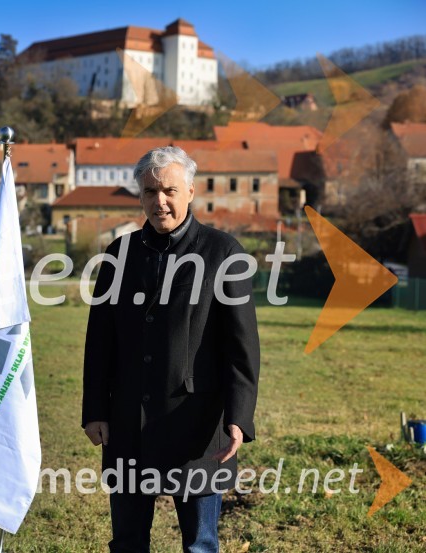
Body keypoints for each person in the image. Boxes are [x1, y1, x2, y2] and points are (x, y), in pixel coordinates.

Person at [82, 147, 260, 552]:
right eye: (149, 191)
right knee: (127, 541)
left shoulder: (223, 253)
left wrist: (239, 417)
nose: (159, 201)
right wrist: (95, 410)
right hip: (128, 423)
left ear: (191, 192)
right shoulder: (118, 256)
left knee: (200, 543)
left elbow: (241, 347)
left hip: (197, 425)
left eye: (169, 190)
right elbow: (100, 342)